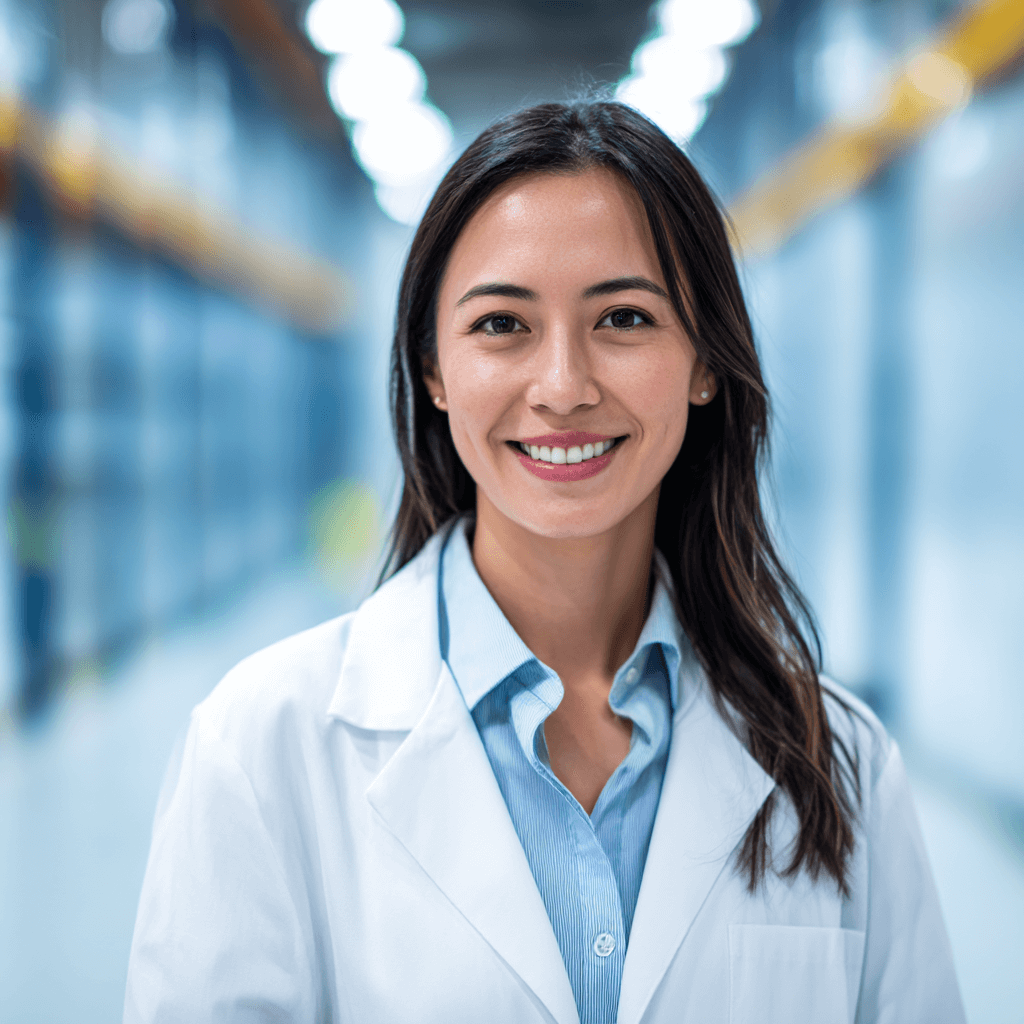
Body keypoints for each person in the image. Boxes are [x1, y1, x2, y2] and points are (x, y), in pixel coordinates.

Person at [124, 101, 964, 1024]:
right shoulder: (262, 747)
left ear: (705, 364)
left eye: (625, 317)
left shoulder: (838, 761)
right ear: (433, 370)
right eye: (501, 326)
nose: (563, 386)